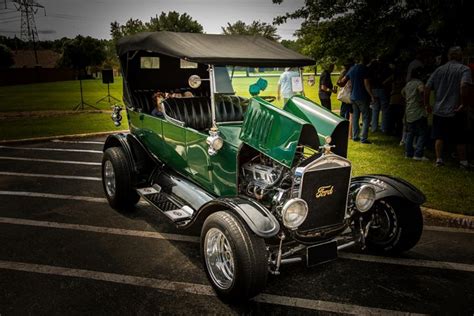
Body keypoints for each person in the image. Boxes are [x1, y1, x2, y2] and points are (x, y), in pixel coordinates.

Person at [425, 46, 473, 168]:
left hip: (439, 108)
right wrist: (463, 103)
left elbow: (427, 87)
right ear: (460, 56)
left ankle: (439, 159)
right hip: (456, 109)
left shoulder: (439, 70)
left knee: (439, 135)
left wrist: (427, 104)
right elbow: (464, 86)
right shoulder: (464, 69)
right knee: (460, 136)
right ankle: (463, 162)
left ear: (448, 56)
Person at [341, 55, 374, 144]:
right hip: (362, 96)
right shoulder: (365, 69)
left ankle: (355, 136)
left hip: (353, 97)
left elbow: (343, 80)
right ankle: (363, 138)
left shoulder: (352, 68)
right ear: (367, 61)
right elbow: (366, 83)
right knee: (366, 117)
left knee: (355, 117)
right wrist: (371, 95)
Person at [401, 67, 428, 160]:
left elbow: (402, 92)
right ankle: (418, 154)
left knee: (410, 133)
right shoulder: (419, 83)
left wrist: (408, 100)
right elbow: (422, 91)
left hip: (409, 112)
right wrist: (422, 100)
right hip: (418, 112)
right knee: (422, 133)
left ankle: (408, 153)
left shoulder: (408, 84)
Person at [368, 57, 391, 133]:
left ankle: (374, 128)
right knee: (384, 109)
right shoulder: (385, 68)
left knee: (375, 109)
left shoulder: (371, 69)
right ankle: (384, 128)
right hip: (382, 89)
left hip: (373, 89)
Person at [337, 60, 354, 138]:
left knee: (343, 112)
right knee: (350, 113)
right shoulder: (351, 72)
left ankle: (342, 128)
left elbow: (339, 83)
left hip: (346, 95)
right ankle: (348, 131)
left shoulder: (344, 73)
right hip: (350, 94)